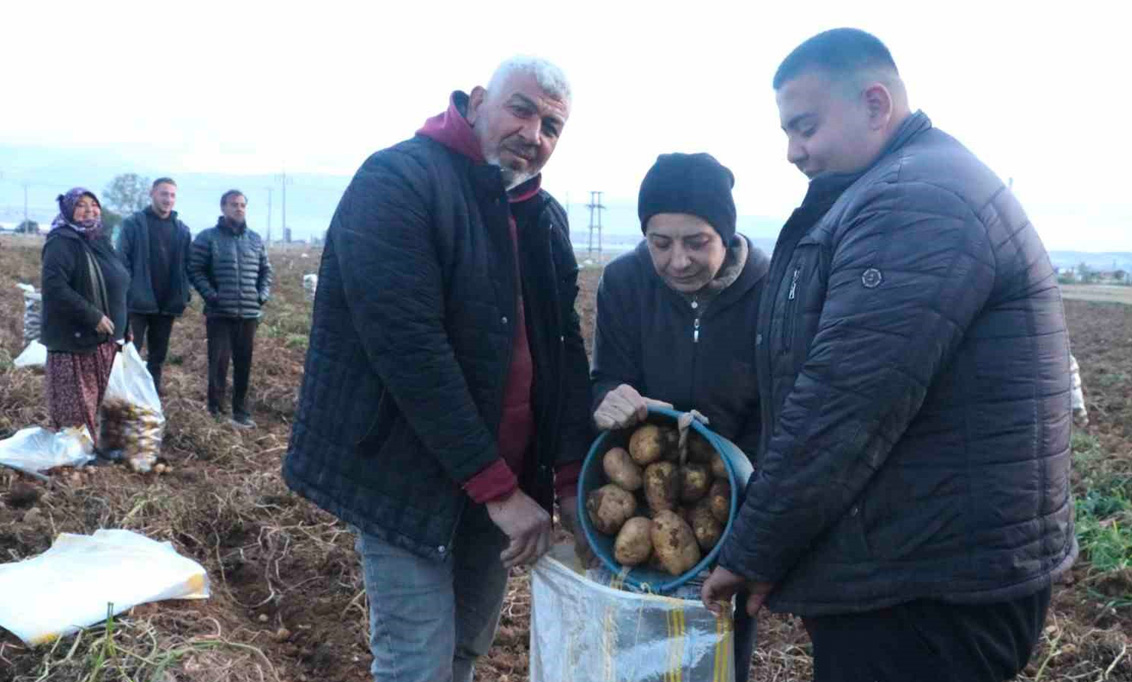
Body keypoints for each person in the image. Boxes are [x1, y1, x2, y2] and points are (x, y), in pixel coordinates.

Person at [700, 29, 1075, 682]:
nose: (792, 150)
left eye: (805, 126)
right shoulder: (903, 185)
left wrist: (755, 550)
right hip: (915, 565)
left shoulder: (915, 202)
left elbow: (846, 403)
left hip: (930, 587)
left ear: (876, 104)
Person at [281, 56, 594, 682]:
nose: (535, 135)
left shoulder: (543, 215)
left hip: (503, 480)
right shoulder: (399, 180)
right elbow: (407, 346)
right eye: (523, 109)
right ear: (478, 101)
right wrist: (499, 491)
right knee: (416, 660)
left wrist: (565, 479)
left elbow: (562, 355)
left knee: (464, 651)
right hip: (407, 471)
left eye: (552, 127)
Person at [591, 152, 768, 681]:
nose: (678, 261)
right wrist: (607, 400)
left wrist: (749, 502)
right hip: (645, 493)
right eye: (660, 243)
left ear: (727, 234)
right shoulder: (624, 282)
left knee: (717, 658)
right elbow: (604, 379)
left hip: (731, 503)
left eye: (697, 242)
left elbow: (782, 408)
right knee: (635, 658)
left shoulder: (772, 286)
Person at [40, 188, 131, 444]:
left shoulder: (98, 239)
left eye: (94, 204)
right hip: (73, 342)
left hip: (103, 341)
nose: (89, 209)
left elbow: (119, 282)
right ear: (68, 210)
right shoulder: (62, 241)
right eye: (81, 205)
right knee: (76, 411)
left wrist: (127, 324)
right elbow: (55, 287)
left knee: (96, 404)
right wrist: (93, 316)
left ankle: (89, 455)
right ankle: (71, 462)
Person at [187, 190, 272, 428]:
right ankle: (216, 412)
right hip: (220, 313)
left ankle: (241, 411)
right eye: (234, 204)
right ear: (223, 207)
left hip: (248, 313)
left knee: (244, 364)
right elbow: (195, 270)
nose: (239, 208)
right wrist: (212, 296)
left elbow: (266, 271)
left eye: (243, 204)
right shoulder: (207, 238)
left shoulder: (255, 239)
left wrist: (261, 296)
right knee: (219, 364)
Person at [117, 177, 192, 394]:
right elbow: (122, 260)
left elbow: (188, 265)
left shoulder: (182, 230)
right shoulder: (133, 224)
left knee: (157, 359)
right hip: (137, 304)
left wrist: (184, 293)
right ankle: (125, 400)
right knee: (130, 355)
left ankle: (151, 401)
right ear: (152, 194)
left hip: (166, 304)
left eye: (172, 195)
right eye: (163, 194)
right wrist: (129, 291)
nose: (168, 199)